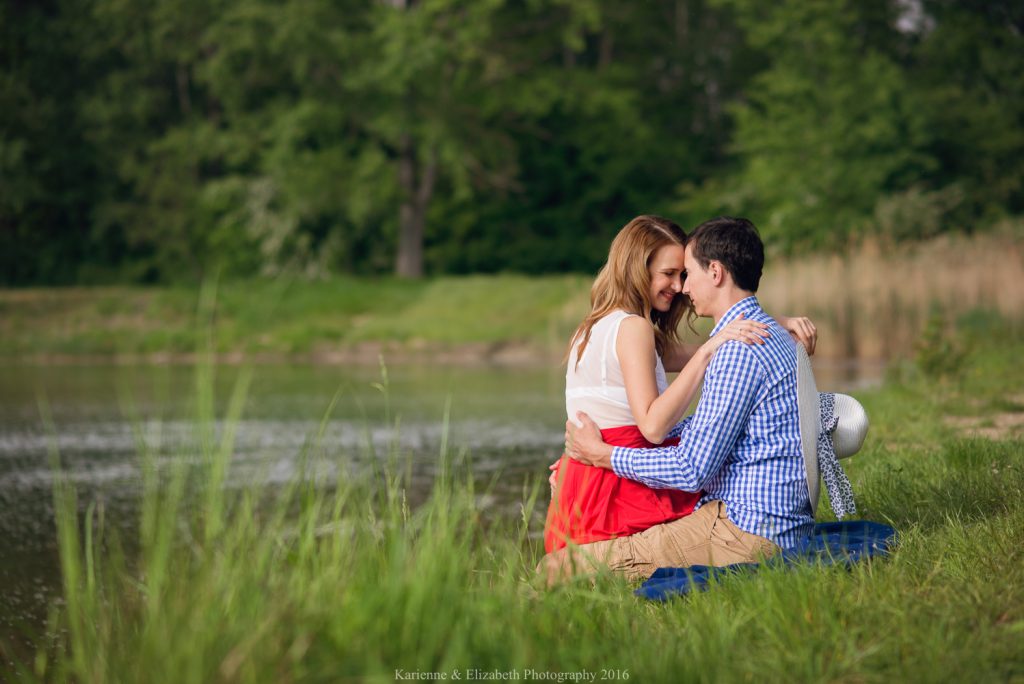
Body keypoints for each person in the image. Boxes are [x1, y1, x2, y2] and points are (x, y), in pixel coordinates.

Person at [546, 216, 813, 583]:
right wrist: (721, 345)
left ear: (714, 272)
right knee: (578, 569)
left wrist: (764, 323)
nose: (681, 286)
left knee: (568, 568)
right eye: (671, 273)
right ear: (638, 270)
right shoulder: (634, 329)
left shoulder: (598, 326)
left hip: (600, 471)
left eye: (684, 273)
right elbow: (657, 424)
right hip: (616, 474)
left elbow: (695, 363)